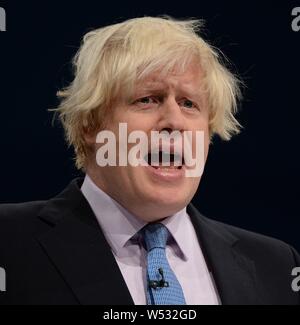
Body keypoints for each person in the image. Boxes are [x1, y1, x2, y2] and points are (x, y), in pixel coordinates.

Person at [0, 16, 299, 305]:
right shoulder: (9, 244)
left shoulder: (276, 266)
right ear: (90, 124)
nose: (174, 120)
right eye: (148, 99)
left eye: (189, 103)